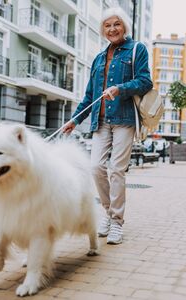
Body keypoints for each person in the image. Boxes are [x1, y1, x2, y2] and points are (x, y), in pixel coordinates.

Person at [62, 7, 152, 245]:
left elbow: (145, 81)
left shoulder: (136, 49)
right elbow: (90, 94)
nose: (112, 29)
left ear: (124, 26)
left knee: (117, 170)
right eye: (107, 25)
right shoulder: (99, 58)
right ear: (103, 30)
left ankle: (117, 222)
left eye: (116, 24)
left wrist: (120, 89)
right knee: (96, 168)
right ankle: (109, 212)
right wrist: (74, 120)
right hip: (100, 121)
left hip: (124, 119)